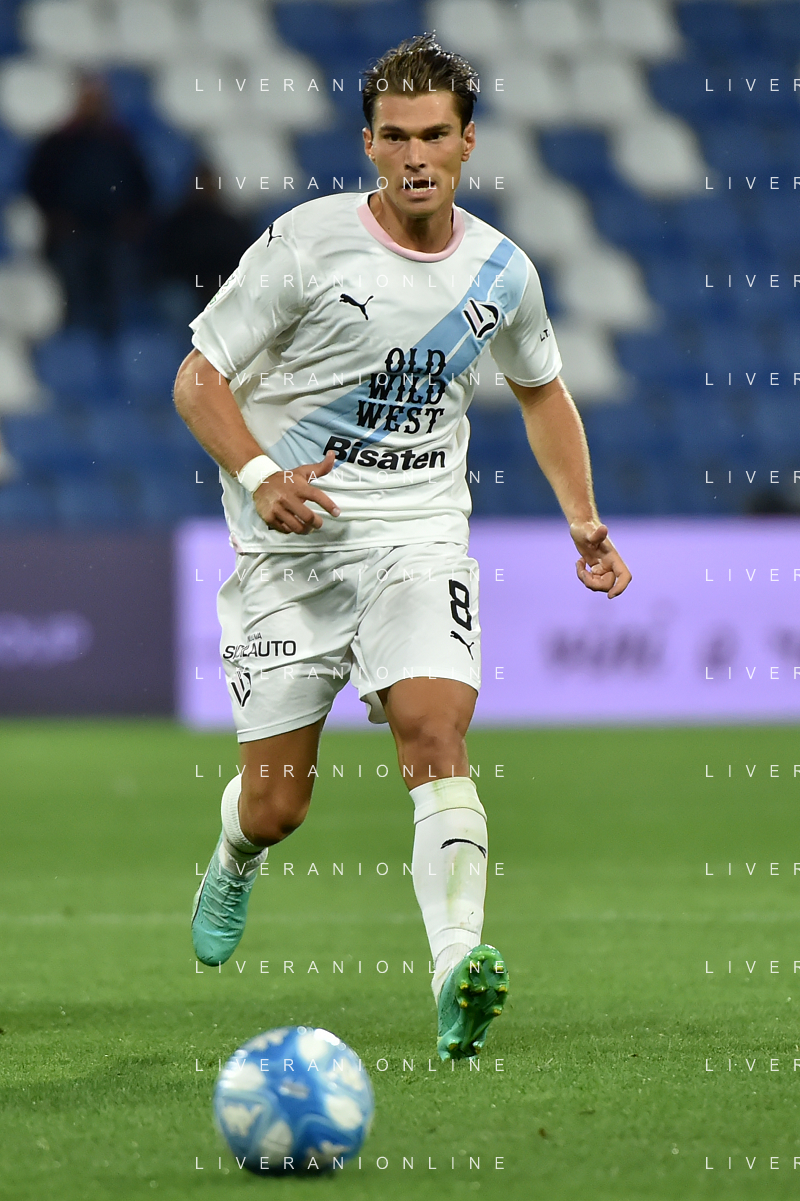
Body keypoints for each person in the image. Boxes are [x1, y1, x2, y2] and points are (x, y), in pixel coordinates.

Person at [173, 35, 632, 1063]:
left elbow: (540, 389)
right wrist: (262, 475)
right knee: (277, 805)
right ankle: (235, 851)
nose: (416, 155)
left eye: (434, 135)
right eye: (395, 137)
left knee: (434, 732)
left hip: (420, 538)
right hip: (289, 551)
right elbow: (197, 379)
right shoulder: (305, 246)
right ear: (368, 146)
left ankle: (455, 968)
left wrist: (581, 516)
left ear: (467, 142)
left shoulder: (500, 272)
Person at [26, 75, 151, 335]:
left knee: (119, 280)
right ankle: (76, 340)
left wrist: (129, 221)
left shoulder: (121, 143)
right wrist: (57, 218)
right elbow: (38, 185)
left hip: (113, 233)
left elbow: (142, 189)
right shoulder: (58, 144)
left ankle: (114, 338)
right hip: (71, 233)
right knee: (72, 285)